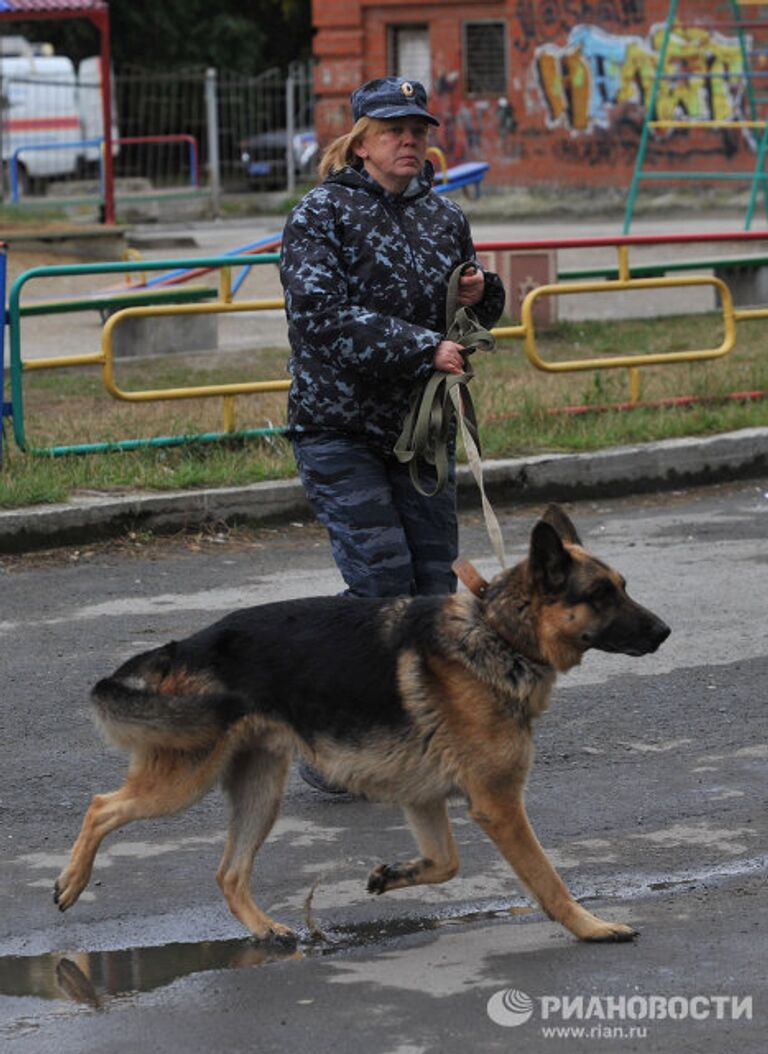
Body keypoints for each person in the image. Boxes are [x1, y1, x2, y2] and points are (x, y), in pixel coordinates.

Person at [279, 76, 505, 791]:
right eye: (392, 130)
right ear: (361, 140)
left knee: (432, 590)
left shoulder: (444, 218)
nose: (409, 141)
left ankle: (418, 739)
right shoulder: (321, 214)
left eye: (418, 129)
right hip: (338, 427)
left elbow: (472, 318)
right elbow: (318, 318)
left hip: (421, 431)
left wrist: (481, 293)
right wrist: (418, 348)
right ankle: (328, 750)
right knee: (379, 591)